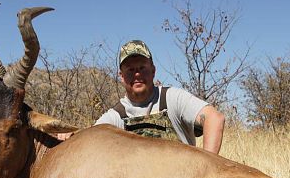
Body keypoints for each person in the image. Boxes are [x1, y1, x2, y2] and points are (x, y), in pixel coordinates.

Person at [95, 40, 225, 154]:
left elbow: (214, 118)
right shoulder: (115, 118)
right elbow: (90, 140)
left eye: (142, 68)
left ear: (153, 71)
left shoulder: (173, 98)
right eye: (130, 70)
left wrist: (206, 169)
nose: (137, 74)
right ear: (121, 76)